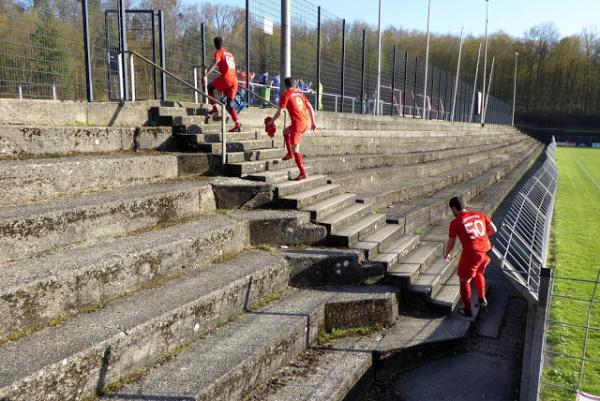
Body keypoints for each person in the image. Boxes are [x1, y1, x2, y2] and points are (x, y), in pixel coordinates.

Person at [444, 196, 497, 317]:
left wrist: (447, 253)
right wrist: (481, 237)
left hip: (473, 253)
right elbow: (493, 229)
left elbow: (451, 242)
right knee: (479, 273)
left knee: (464, 281)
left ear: (453, 208)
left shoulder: (455, 222)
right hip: (486, 250)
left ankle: (467, 311)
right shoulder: (480, 214)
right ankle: (482, 298)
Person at [267, 77, 317, 181]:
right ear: (294, 85)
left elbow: (280, 111)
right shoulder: (300, 94)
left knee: (296, 149)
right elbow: (310, 107)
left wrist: (271, 121)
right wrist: (313, 122)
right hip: (304, 123)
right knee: (285, 131)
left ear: (285, 86)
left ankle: (303, 173)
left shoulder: (286, 95)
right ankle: (289, 154)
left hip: (297, 125)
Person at [204, 37, 241, 132]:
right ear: (222, 43)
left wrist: (206, 74)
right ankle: (237, 124)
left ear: (215, 45)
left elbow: (215, 63)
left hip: (227, 78)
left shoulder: (219, 52)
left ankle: (214, 109)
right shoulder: (230, 54)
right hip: (235, 80)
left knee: (209, 87)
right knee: (229, 104)